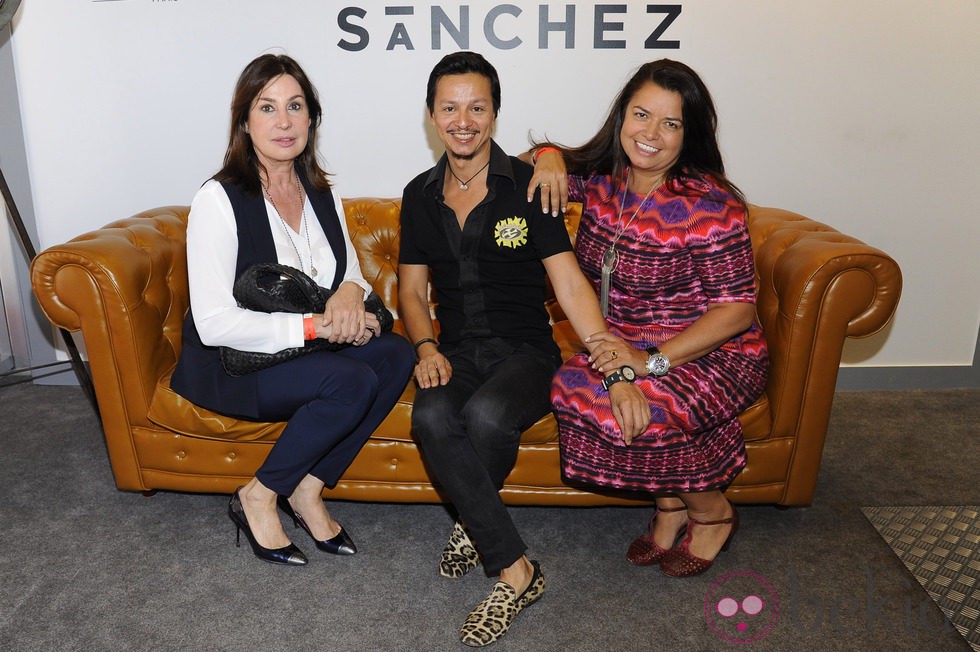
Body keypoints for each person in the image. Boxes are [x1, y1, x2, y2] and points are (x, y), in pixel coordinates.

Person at [397, 51, 611, 647]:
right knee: (432, 414)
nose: (463, 121)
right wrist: (426, 346)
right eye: (449, 108)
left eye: (477, 107)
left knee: (488, 414)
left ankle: (500, 559)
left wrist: (602, 348)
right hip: (458, 350)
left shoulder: (529, 184)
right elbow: (412, 291)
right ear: (431, 116)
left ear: (494, 112)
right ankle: (516, 561)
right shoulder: (418, 196)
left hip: (525, 352)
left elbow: (567, 279)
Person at [170, 54, 414, 566]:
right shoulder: (219, 200)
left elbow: (345, 270)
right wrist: (313, 324)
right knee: (350, 382)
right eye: (267, 107)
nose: (283, 121)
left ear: (311, 119)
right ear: (245, 122)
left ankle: (308, 488)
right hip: (234, 364)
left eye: (295, 106)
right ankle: (259, 494)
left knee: (395, 355)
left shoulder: (322, 191)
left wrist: (348, 293)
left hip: (300, 351)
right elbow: (213, 322)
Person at [532, 59, 769, 577]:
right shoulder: (601, 180)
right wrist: (548, 155)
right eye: (642, 115)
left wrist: (651, 362)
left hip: (713, 349)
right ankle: (669, 505)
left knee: (650, 410)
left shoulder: (709, 204)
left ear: (690, 134)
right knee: (573, 390)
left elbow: (737, 308)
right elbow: (522, 164)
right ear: (622, 116)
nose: (651, 134)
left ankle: (712, 513)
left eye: (671, 123)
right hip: (621, 341)